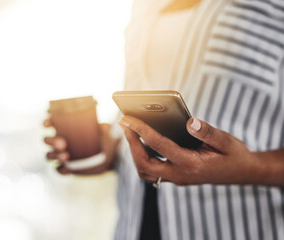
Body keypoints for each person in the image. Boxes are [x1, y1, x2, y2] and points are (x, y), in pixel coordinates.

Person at [44, 0, 284, 239]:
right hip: (133, 227)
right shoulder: (143, 7)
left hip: (238, 227)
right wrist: (111, 148)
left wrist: (251, 167)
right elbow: (143, 104)